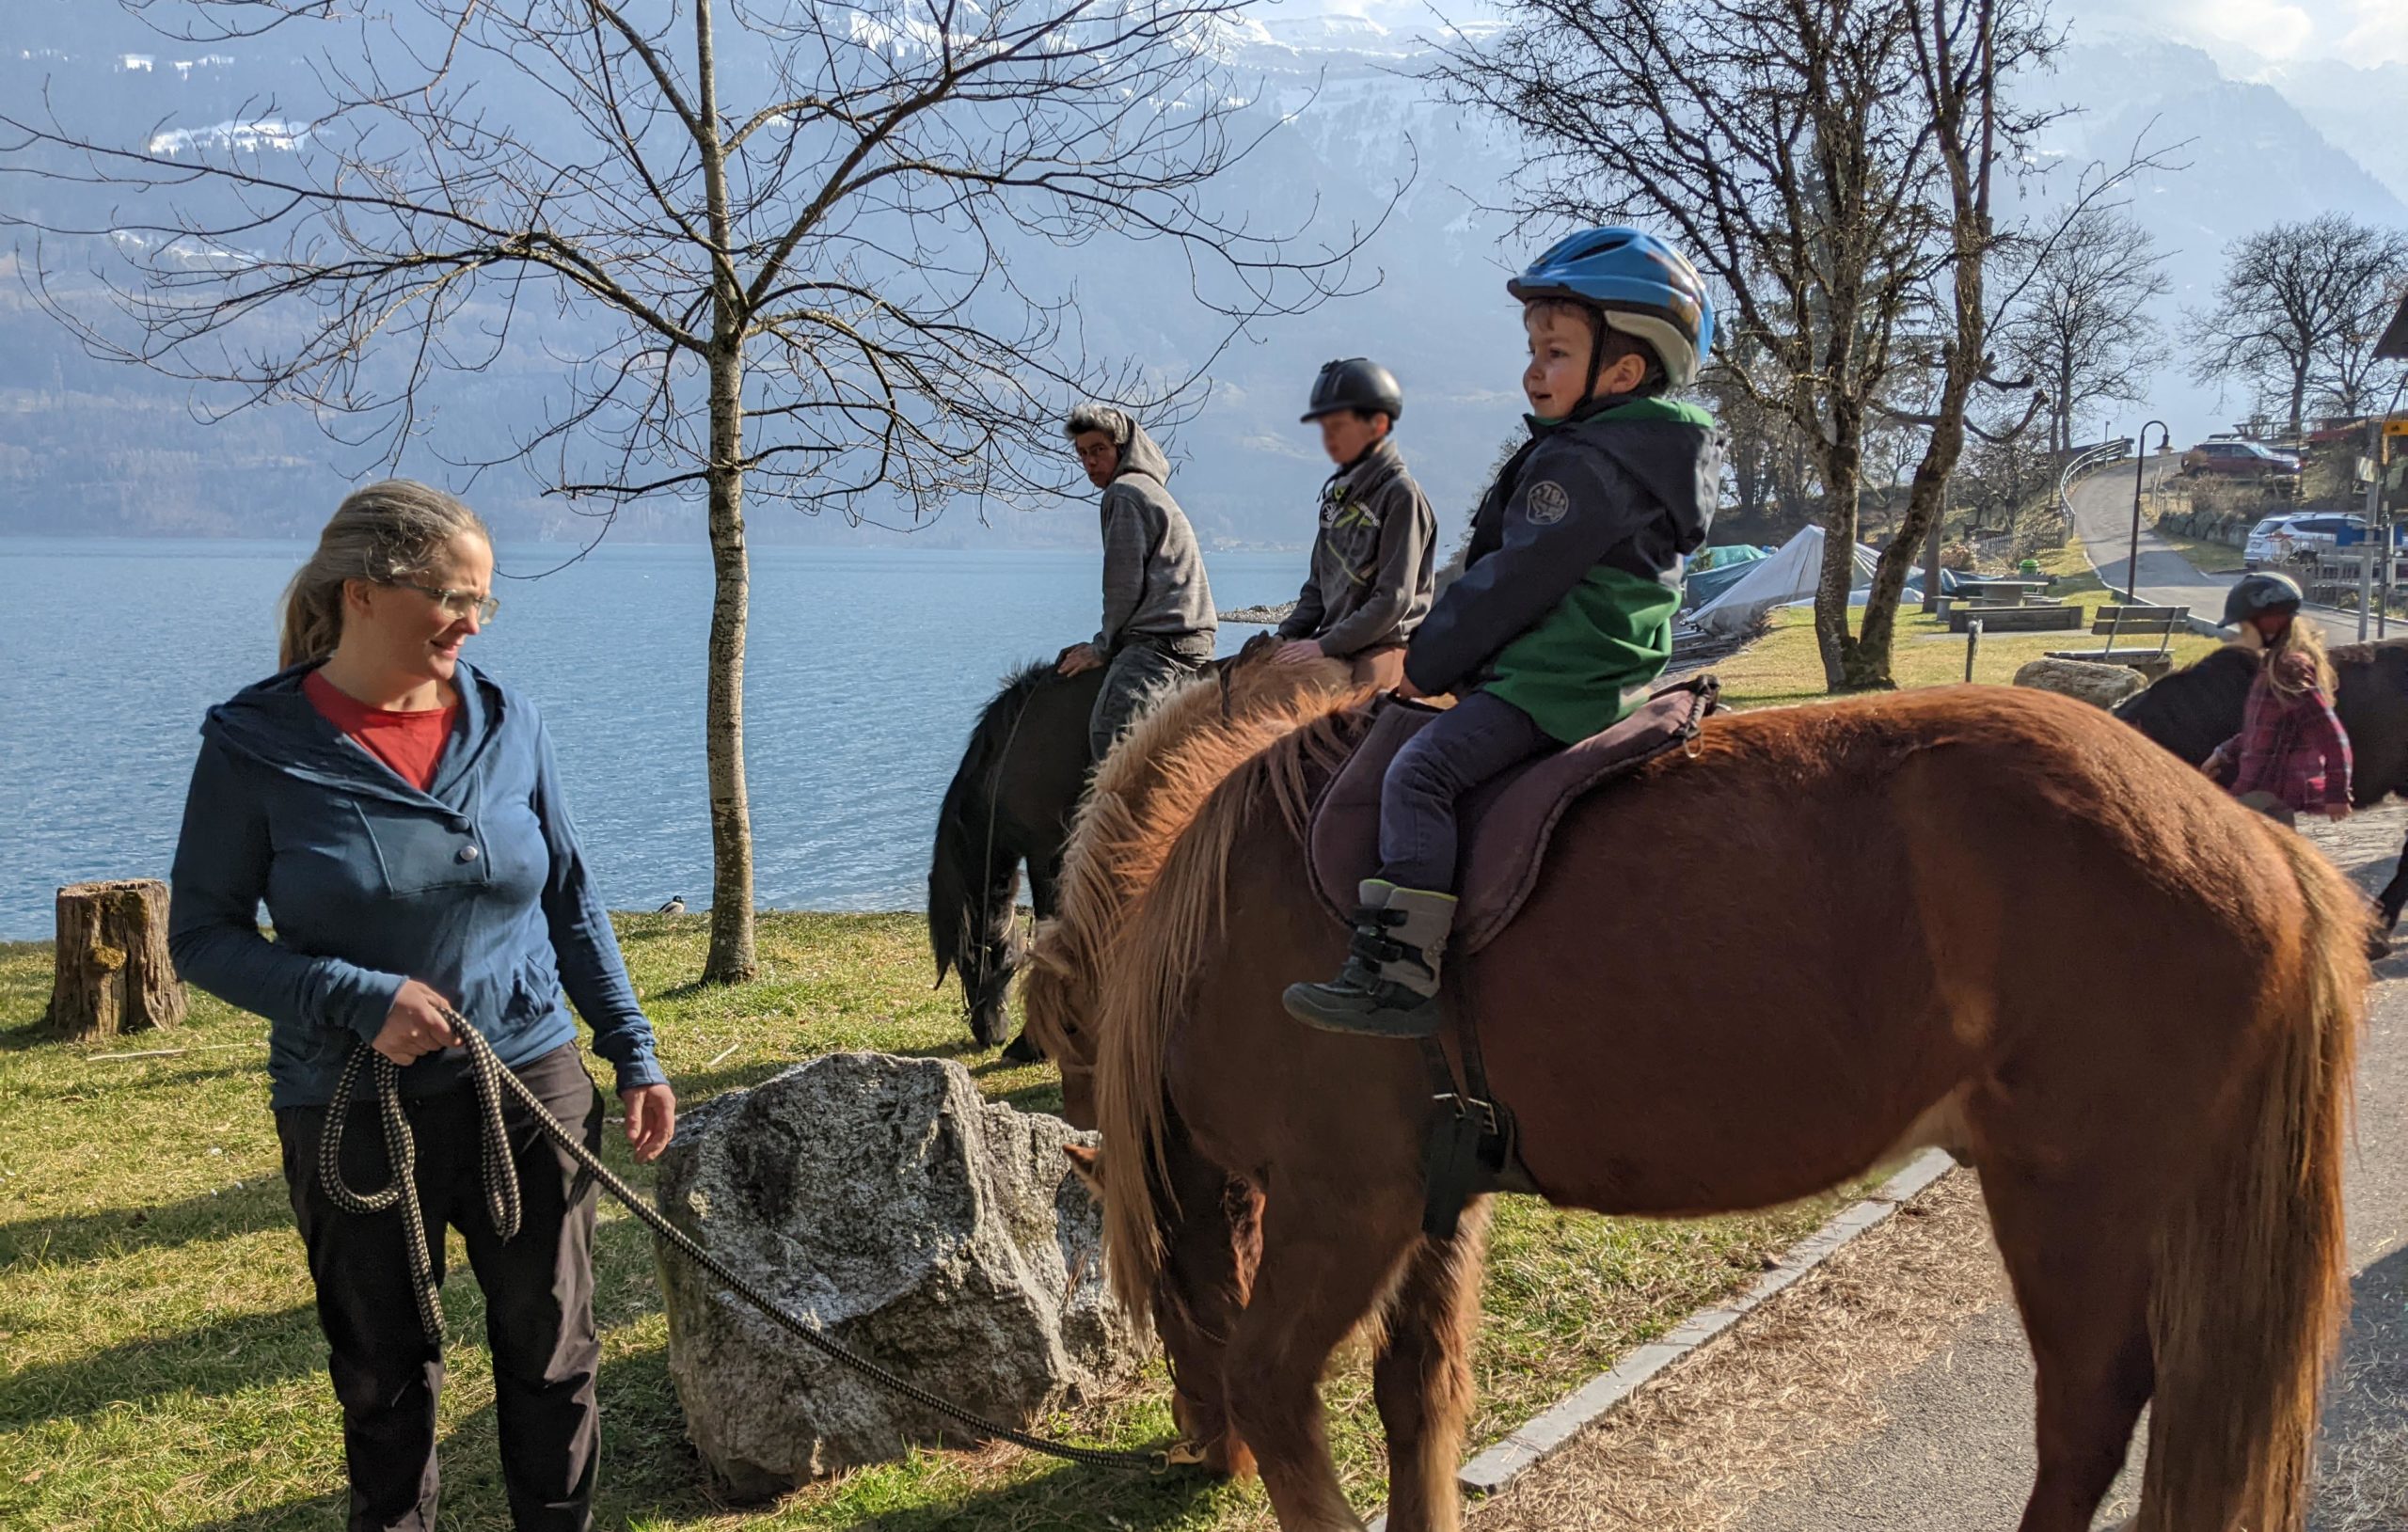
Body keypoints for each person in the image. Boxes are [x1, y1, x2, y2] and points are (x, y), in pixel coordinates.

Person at [166, 481, 675, 1532]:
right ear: (362, 593)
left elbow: (571, 900)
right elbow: (201, 938)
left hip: (531, 1086)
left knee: (555, 1358)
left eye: (485, 603)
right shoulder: (254, 745)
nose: (472, 623)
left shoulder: (511, 722)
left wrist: (632, 1049)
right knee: (386, 1380)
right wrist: (354, 995)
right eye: (453, 597)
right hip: (350, 1104)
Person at [1284, 228, 1722, 1038]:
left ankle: (1398, 971)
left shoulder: (1586, 465)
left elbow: (1512, 580)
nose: (1532, 369)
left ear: (1622, 371)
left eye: (1555, 351)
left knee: (1419, 774)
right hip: (1610, 664)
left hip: (1556, 677)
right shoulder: (1640, 456)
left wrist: (1430, 657)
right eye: (1531, 347)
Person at [1054, 403, 1218, 758]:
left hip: (1164, 643)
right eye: (1082, 454)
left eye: (1099, 450)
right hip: (1183, 635)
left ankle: (1129, 813)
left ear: (1122, 447)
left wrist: (1101, 647)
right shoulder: (1144, 488)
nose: (1090, 463)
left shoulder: (1124, 494)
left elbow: (1122, 586)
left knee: (1112, 734)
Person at [1271, 358, 1438, 688]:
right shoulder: (1335, 497)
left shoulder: (1402, 496)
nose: (1330, 438)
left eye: (1340, 426)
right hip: (1333, 642)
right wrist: (1284, 636)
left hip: (1383, 644)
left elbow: (1394, 598)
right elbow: (1317, 588)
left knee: (1354, 718)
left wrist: (1323, 646)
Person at [2202, 571, 2352, 828]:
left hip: (2266, 791)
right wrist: (2223, 752)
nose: (2240, 634)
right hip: (2262, 787)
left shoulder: (2289, 669)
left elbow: (2331, 734)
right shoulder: (2272, 666)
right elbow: (2264, 731)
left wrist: (2337, 792)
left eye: (2244, 626)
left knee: (2214, 836)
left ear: (2270, 623)